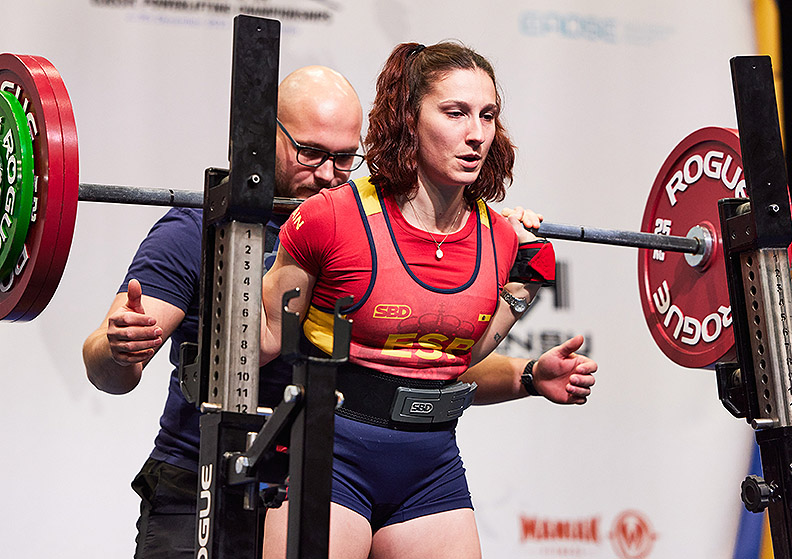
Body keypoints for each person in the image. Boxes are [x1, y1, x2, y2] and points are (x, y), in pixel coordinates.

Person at [83, 64, 595, 558]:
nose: (329, 174)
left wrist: (526, 373)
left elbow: (414, 371)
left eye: (346, 158)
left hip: (304, 473)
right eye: (310, 153)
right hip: (201, 482)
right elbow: (109, 370)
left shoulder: (360, 228)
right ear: (263, 137)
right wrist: (121, 346)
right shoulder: (194, 230)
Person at [258, 42, 595, 559]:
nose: (476, 133)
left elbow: (466, 355)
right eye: (456, 113)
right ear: (409, 119)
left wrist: (529, 280)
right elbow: (264, 340)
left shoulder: (500, 237)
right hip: (330, 459)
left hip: (429, 470)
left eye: (487, 115)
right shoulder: (330, 217)